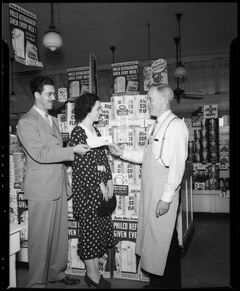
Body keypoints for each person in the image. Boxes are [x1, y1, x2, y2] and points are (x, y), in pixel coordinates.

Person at [109, 84, 189, 289]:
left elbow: (177, 166)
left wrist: (167, 197)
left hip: (162, 193)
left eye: (150, 99)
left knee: (165, 241)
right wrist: (122, 152)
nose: (147, 103)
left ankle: (169, 285)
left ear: (162, 100)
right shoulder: (157, 124)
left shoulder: (175, 126)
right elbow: (147, 157)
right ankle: (157, 283)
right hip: (151, 192)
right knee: (154, 239)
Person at [17, 76, 91, 288]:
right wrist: (72, 150)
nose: (53, 98)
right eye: (49, 94)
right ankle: (36, 282)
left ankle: (56, 273)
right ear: (37, 95)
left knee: (60, 236)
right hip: (41, 189)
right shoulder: (26, 122)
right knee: (40, 239)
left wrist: (65, 182)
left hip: (57, 185)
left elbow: (56, 157)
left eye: (53, 94)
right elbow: (40, 154)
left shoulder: (54, 120)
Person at [69, 93, 115, 289]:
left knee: (97, 235)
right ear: (87, 109)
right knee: (89, 235)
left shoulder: (95, 131)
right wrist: (101, 185)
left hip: (100, 192)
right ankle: (92, 276)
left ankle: (94, 274)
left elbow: (103, 159)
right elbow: (83, 166)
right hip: (88, 193)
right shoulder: (77, 133)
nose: (100, 111)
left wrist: (110, 180)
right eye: (97, 108)